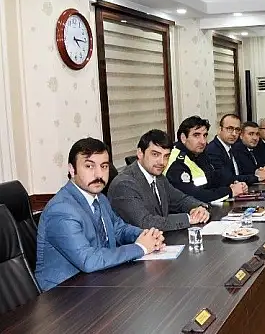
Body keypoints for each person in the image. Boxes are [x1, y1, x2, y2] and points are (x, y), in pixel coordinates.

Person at [35, 138, 165, 291]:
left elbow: (119, 229)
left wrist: (147, 235)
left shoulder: (100, 198)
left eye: (104, 166)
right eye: (89, 166)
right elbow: (89, 260)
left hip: (98, 282)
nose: (99, 174)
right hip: (63, 295)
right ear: (72, 169)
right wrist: (140, 247)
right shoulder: (61, 210)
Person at [108, 130, 210, 232]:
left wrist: (199, 208)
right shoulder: (124, 184)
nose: (162, 162)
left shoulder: (158, 177)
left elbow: (180, 200)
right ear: (140, 153)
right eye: (155, 154)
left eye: (166, 156)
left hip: (161, 238)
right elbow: (145, 222)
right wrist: (189, 218)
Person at [165, 115, 248, 203]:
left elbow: (214, 179)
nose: (203, 141)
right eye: (196, 135)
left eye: (204, 135)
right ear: (183, 138)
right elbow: (194, 196)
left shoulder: (199, 154)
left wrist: (236, 184)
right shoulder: (177, 162)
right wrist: (230, 191)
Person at [206, 114, 265, 186]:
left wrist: (259, 171)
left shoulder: (233, 147)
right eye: (230, 129)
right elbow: (226, 178)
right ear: (220, 129)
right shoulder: (213, 150)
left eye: (237, 130)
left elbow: (242, 171)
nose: (234, 134)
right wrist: (256, 177)